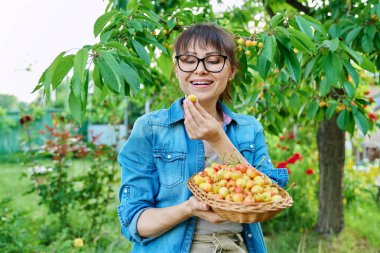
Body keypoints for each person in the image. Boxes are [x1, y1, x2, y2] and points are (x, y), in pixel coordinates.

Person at [117, 23, 288, 253]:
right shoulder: (150, 129)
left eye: (214, 60)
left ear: (232, 70)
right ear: (177, 68)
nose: (200, 70)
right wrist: (189, 208)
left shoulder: (249, 129)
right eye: (188, 60)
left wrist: (219, 139)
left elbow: (267, 198)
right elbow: (135, 222)